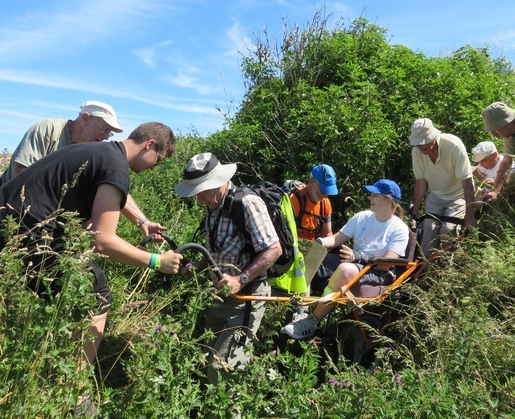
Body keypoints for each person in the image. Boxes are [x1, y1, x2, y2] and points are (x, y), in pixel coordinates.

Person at [0, 122, 182, 370]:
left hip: (2, 225)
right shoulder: (116, 167)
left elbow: (99, 212)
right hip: (25, 234)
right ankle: (76, 388)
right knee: (98, 295)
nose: (155, 168)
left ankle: (47, 356)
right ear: (149, 145)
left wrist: (141, 222)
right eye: (158, 160)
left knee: (73, 279)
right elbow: (102, 241)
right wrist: (157, 261)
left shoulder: (100, 152)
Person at [175, 153, 282, 384]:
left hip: (246, 296)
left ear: (218, 182)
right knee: (203, 360)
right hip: (218, 296)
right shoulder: (213, 204)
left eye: (202, 191)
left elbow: (274, 250)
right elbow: (218, 249)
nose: (199, 200)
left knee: (223, 369)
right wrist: (197, 266)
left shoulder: (247, 203)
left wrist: (240, 279)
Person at [0, 101, 166, 238]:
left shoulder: (94, 150)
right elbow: (22, 173)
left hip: (47, 221)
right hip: (10, 211)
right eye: (104, 129)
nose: (105, 137)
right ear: (85, 118)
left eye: (109, 133)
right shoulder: (48, 129)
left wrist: (141, 221)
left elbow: (112, 186)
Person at [280, 179, 409, 340]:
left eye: (375, 195)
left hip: (377, 274)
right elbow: (335, 239)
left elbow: (386, 264)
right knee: (306, 257)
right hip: (353, 265)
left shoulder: (400, 229)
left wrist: (358, 257)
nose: (370, 198)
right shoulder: (362, 216)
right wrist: (316, 244)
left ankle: (312, 322)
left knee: (345, 269)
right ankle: (301, 311)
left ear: (388, 200)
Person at [409, 118, 476, 259]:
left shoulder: (453, 145)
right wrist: (414, 213)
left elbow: (467, 181)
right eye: (418, 144)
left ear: (433, 137)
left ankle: (447, 268)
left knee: (448, 230)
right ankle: (428, 270)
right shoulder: (416, 152)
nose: (421, 147)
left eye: (424, 143)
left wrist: (470, 214)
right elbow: (420, 182)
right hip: (435, 195)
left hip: (458, 195)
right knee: (429, 229)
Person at [287, 164, 338, 293]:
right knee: (304, 267)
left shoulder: (325, 204)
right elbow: (284, 235)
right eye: (322, 191)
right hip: (291, 247)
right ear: (311, 182)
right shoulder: (295, 200)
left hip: (313, 247)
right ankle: (302, 309)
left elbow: (328, 235)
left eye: (328, 192)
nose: (325, 196)